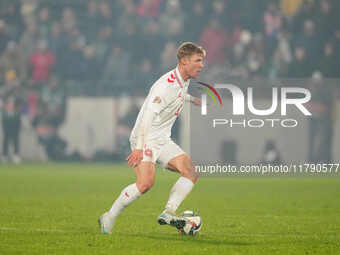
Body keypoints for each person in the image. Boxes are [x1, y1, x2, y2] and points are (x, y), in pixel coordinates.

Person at [98, 42, 205, 234]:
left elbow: (179, 94)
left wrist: (192, 99)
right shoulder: (165, 86)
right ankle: (109, 216)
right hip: (145, 138)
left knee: (190, 171)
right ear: (184, 61)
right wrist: (139, 148)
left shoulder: (183, 79)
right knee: (145, 184)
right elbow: (148, 116)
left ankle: (169, 212)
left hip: (162, 139)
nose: (201, 65)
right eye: (198, 60)